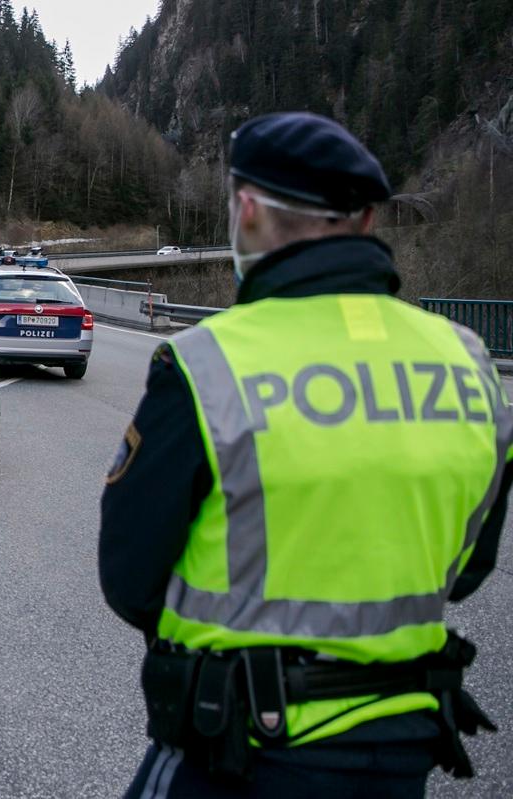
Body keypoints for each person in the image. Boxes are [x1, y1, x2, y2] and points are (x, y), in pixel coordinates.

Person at [100, 111, 510, 797]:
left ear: (250, 212)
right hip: (401, 753)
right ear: (368, 222)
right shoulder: (468, 362)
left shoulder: (208, 365)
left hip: (239, 749)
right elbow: (466, 570)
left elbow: (130, 577)